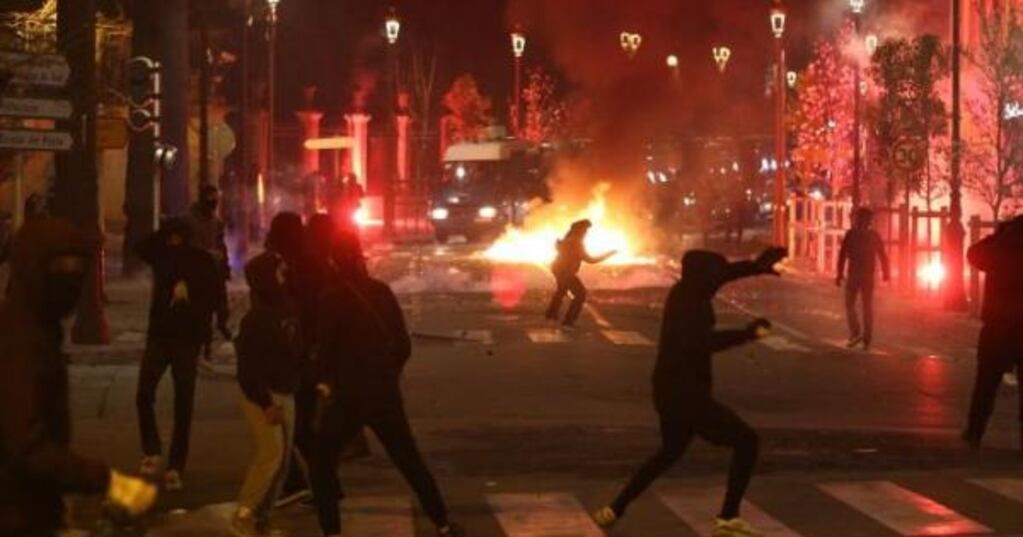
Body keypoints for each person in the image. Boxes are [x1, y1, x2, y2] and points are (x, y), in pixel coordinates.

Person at [593, 247, 787, 537]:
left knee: (670, 452)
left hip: (668, 388)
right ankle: (728, 519)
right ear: (703, 277)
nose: (718, 280)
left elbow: (726, 273)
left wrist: (756, 266)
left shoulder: (690, 288)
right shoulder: (689, 304)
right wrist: (747, 334)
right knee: (747, 441)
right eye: (714, 275)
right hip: (685, 392)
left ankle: (614, 509)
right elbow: (701, 343)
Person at [0, 217, 157, 535]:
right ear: (33, 268)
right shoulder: (20, 341)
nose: (68, 280)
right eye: (59, 268)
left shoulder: (39, 328)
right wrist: (106, 482)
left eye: (76, 270)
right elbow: (25, 445)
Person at [310, 230, 464, 537]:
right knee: (408, 460)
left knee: (321, 461)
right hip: (384, 393)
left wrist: (324, 381)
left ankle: (331, 531)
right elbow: (403, 345)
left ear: (334, 262)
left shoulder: (331, 298)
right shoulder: (380, 291)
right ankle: (442, 523)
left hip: (348, 397)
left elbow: (323, 352)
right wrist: (385, 373)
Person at [134, 218, 226, 491]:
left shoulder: (201, 261)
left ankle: (176, 464)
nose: (172, 243)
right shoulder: (161, 255)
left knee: (183, 403)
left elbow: (214, 299)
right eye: (169, 237)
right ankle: (152, 449)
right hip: (160, 335)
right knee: (144, 392)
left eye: (177, 237)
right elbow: (141, 246)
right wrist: (163, 232)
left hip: (186, 339)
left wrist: (191, 292)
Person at [230, 238, 305, 536]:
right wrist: (265, 403)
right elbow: (247, 371)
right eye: (279, 270)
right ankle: (244, 513)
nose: (285, 274)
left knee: (283, 459)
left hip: (286, 389)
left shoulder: (287, 306)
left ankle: (262, 518)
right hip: (263, 394)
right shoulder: (256, 320)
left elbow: (296, 348)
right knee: (270, 455)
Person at [962, 214, 1023, 450]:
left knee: (986, 384)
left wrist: (997, 236)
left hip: (997, 325)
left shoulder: (1000, 246)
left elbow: (974, 254)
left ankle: (975, 431)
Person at [186, 184, 232, 359]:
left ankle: (221, 325)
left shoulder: (217, 221)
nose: (214, 203)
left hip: (214, 270)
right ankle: (205, 346)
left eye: (216, 200)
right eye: (211, 199)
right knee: (203, 313)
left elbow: (221, 245)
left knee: (221, 305)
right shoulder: (190, 220)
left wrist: (225, 266)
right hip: (199, 270)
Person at [544, 219, 616, 329]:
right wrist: (608, 254)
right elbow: (590, 259)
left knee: (561, 290)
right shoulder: (576, 243)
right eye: (585, 230)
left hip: (558, 268)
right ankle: (568, 321)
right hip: (566, 271)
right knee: (580, 294)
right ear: (580, 231)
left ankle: (551, 314)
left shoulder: (569, 239)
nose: (586, 233)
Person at [836, 208, 890, 350]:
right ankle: (867, 336)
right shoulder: (874, 236)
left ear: (857, 219)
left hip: (854, 274)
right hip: (868, 275)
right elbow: (882, 255)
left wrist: (839, 274)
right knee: (867, 306)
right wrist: (886, 273)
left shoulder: (851, 234)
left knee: (850, 304)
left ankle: (855, 332)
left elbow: (842, 255)